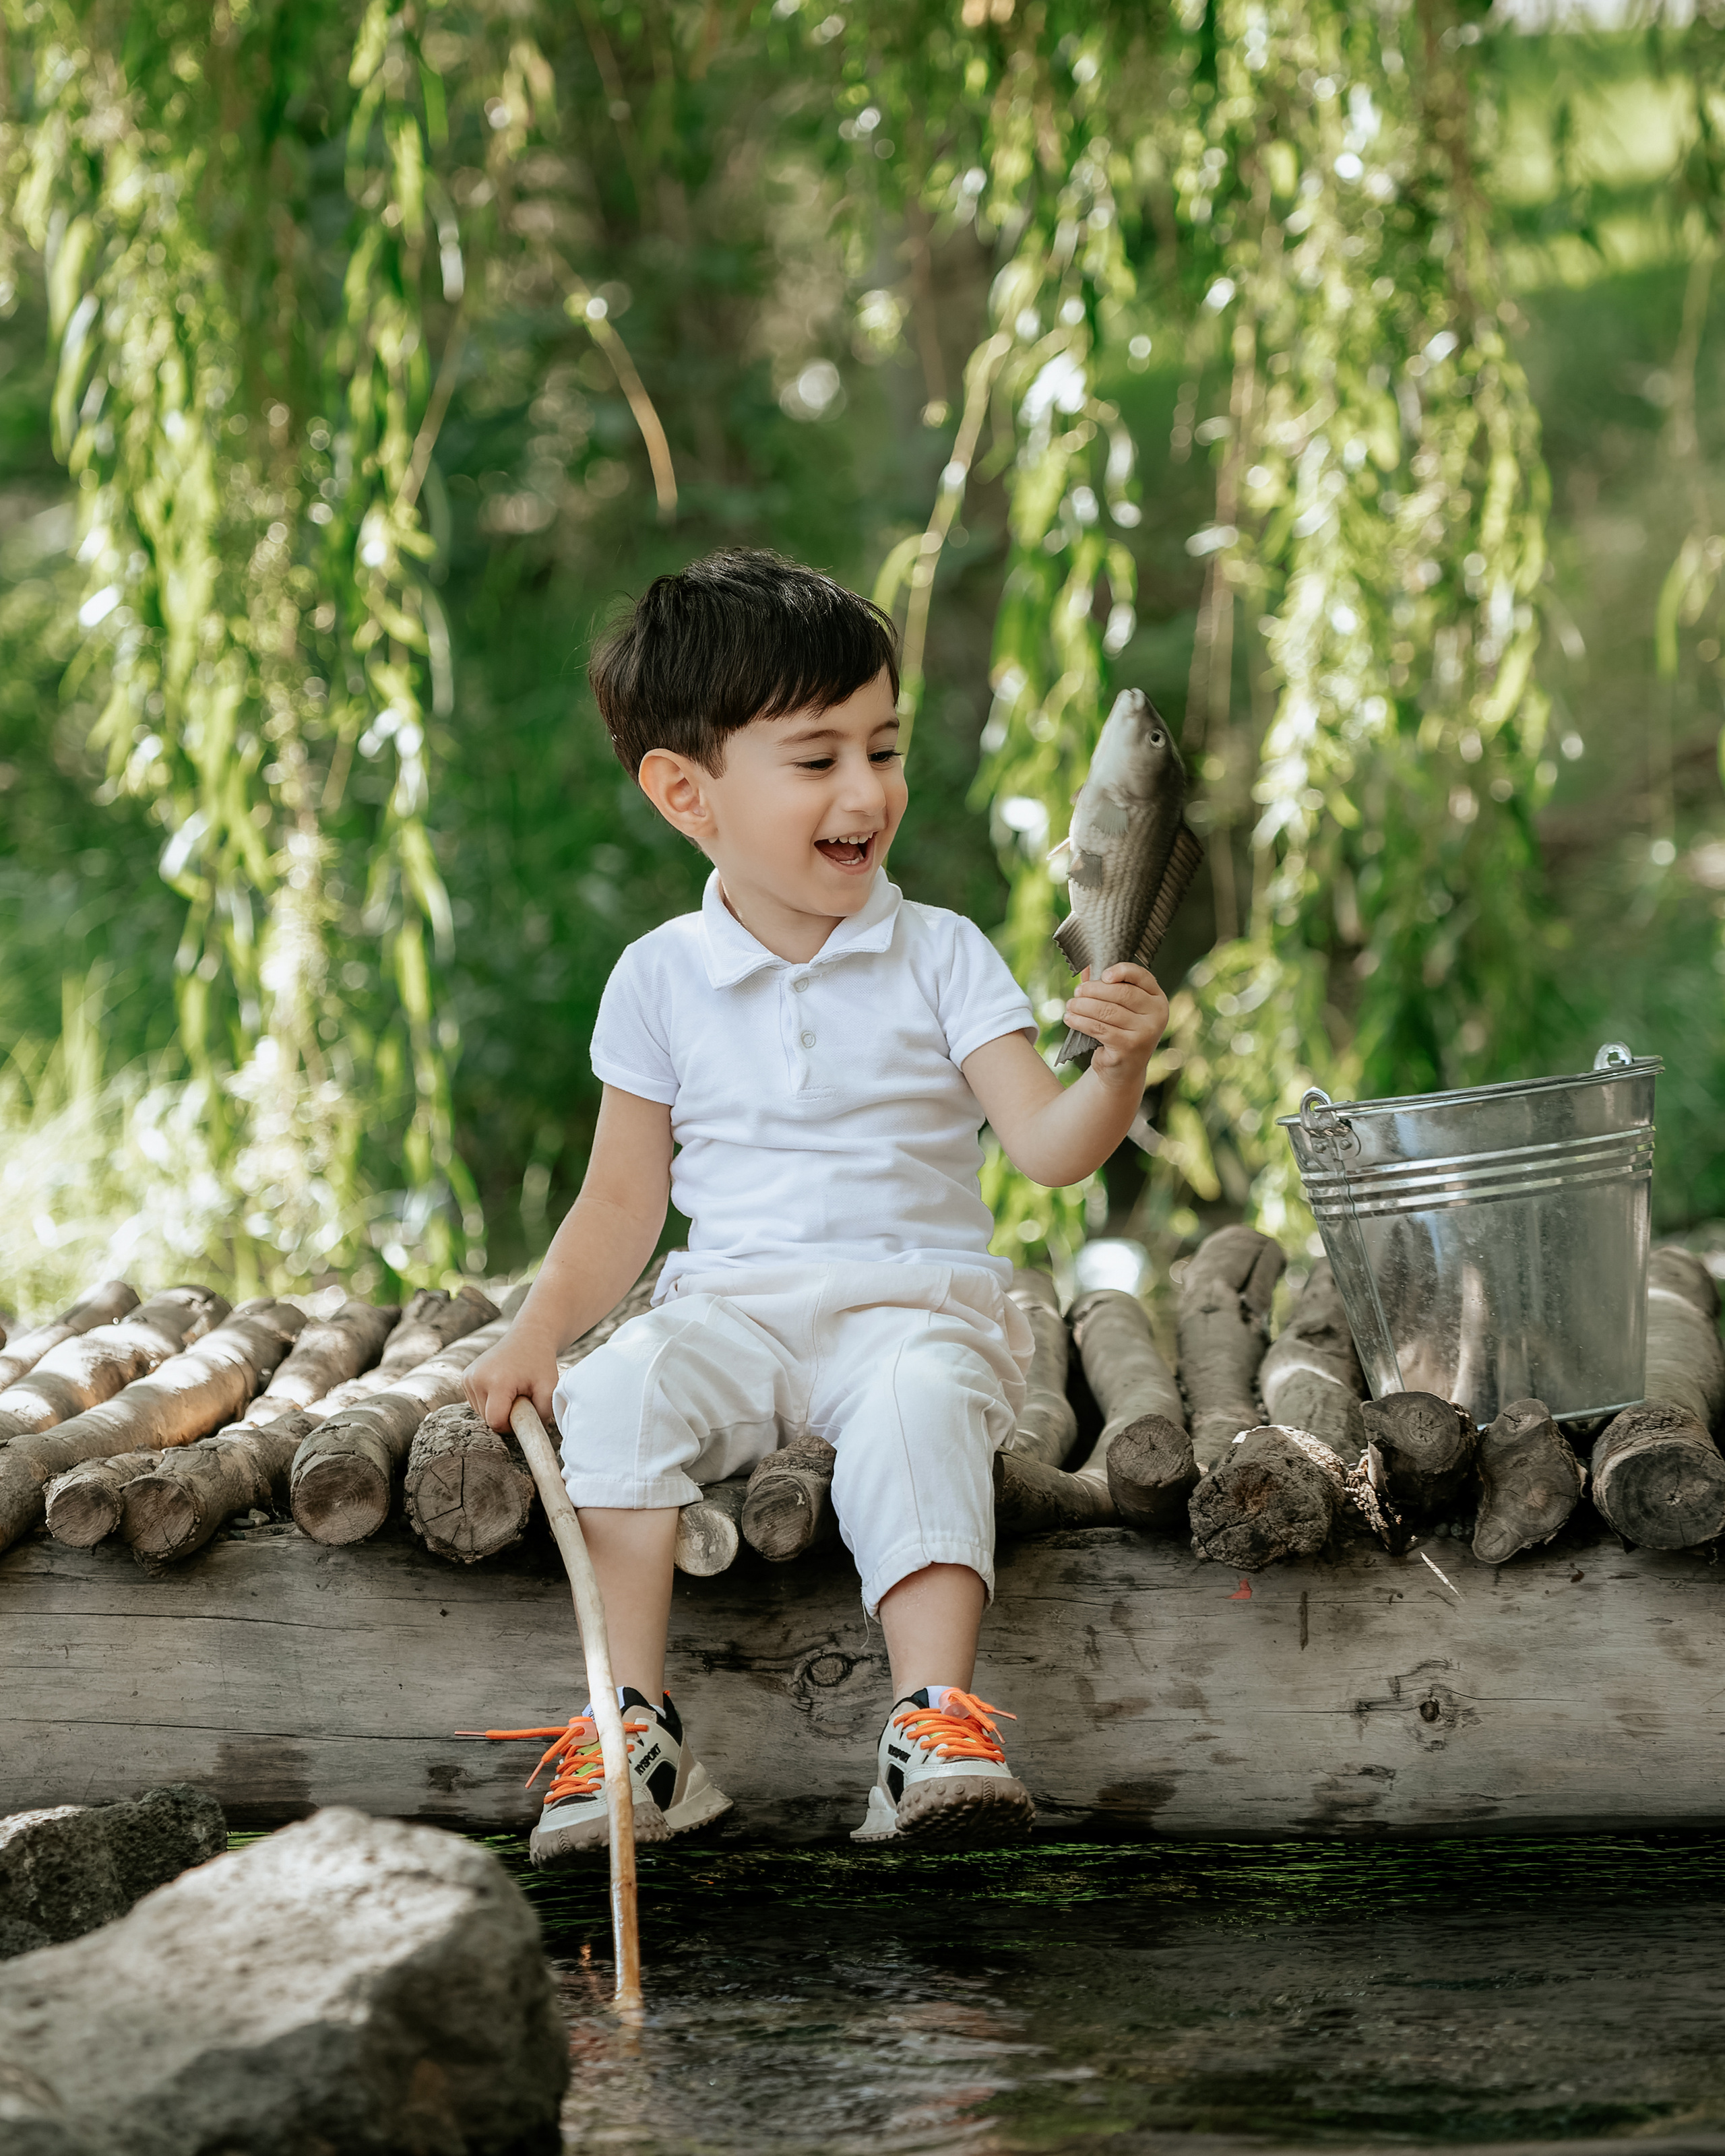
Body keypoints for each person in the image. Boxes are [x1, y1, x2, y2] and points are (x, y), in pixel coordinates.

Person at [464, 549, 1167, 1861]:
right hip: (731, 1307)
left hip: (909, 1304)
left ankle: (930, 1727)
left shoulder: (940, 951)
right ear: (686, 793)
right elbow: (621, 1206)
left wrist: (1115, 1062)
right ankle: (633, 1727)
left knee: (915, 1413)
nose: (866, 792)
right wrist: (537, 1333)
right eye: (816, 758)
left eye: (883, 749)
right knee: (614, 1401)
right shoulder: (660, 978)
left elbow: (1047, 1145)